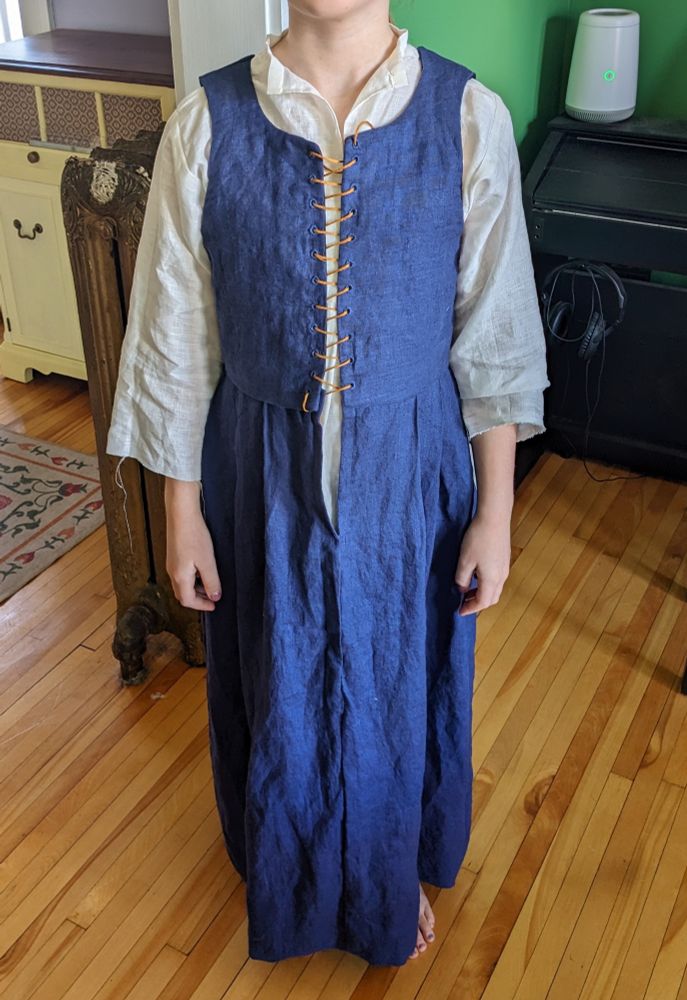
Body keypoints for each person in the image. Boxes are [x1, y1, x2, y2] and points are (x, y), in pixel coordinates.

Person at [106, 1, 550, 967]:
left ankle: (383, 878)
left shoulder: (468, 116)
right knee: (281, 674)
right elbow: (178, 340)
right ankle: (298, 875)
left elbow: (496, 335)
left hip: (411, 474)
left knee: (396, 676)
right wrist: (179, 514)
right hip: (257, 469)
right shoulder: (208, 122)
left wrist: (497, 513)